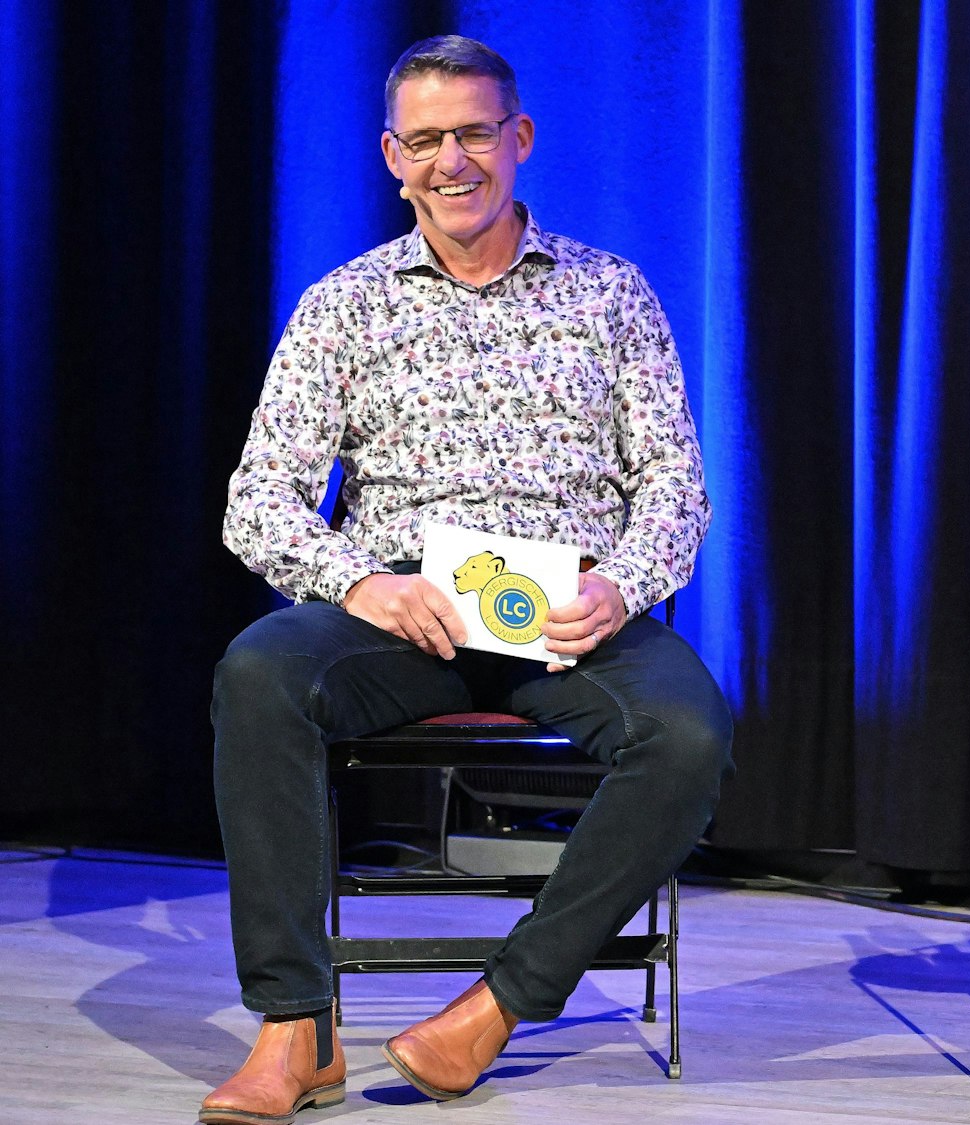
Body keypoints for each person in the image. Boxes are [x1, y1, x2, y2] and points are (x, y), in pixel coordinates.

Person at [199, 35, 733, 1125]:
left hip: (572, 612)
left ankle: (495, 1007)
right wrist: (360, 585)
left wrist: (623, 588)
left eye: (475, 133)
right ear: (394, 158)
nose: (454, 161)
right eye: (427, 140)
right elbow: (255, 500)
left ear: (519, 139)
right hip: (405, 607)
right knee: (259, 674)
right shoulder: (346, 306)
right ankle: (296, 1030)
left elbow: (677, 486)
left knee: (685, 734)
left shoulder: (610, 294)